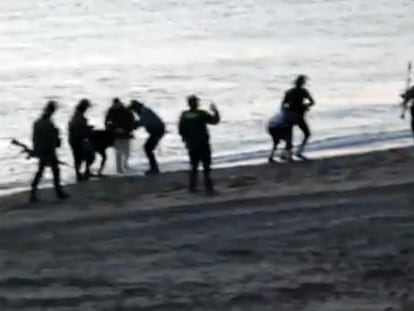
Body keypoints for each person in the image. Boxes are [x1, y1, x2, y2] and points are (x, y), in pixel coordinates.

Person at [179, 95, 220, 194]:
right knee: (206, 166)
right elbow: (215, 121)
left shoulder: (184, 115)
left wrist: (186, 140)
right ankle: (208, 187)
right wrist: (216, 111)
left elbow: (181, 130)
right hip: (203, 143)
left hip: (192, 144)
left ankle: (192, 187)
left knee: (194, 166)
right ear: (196, 103)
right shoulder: (201, 114)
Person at [30, 101, 69, 203]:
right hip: (48, 150)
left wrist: (36, 149)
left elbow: (35, 138)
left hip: (42, 149)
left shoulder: (38, 122)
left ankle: (33, 192)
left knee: (41, 171)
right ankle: (58, 192)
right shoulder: (47, 123)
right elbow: (51, 139)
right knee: (55, 170)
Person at [281, 75, 315, 159]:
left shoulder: (289, 92)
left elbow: (283, 106)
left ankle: (287, 154)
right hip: (298, 115)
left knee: (289, 136)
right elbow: (312, 102)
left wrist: (286, 112)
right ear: (302, 83)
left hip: (289, 115)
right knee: (307, 133)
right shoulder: (303, 91)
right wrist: (305, 106)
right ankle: (299, 151)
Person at [129, 100, 166, 175]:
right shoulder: (144, 110)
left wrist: (131, 126)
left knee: (148, 148)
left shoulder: (144, 112)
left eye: (134, 110)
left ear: (137, 107)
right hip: (157, 130)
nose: (134, 112)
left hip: (157, 130)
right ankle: (154, 167)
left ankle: (154, 168)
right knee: (148, 148)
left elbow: (140, 124)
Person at [105, 98, 136, 173]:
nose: (115, 106)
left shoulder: (126, 111)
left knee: (127, 152)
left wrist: (127, 130)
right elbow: (107, 122)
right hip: (116, 134)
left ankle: (125, 165)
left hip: (126, 133)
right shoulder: (111, 110)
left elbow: (132, 121)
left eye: (116, 105)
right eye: (114, 105)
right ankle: (119, 168)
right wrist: (113, 129)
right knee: (118, 152)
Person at [68, 99, 94, 181]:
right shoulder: (78, 117)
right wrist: (87, 129)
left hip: (75, 139)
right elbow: (78, 129)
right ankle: (81, 174)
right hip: (77, 140)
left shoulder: (76, 115)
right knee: (87, 156)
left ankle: (82, 173)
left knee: (80, 157)